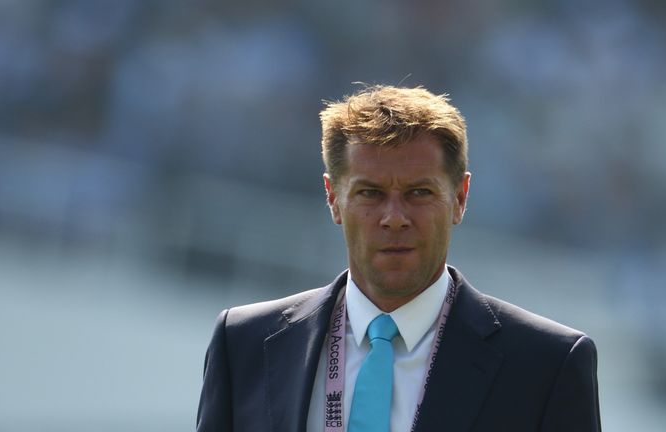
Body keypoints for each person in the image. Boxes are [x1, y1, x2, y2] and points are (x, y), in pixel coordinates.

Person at [196, 85, 601, 432]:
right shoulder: (244, 343)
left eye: (419, 193)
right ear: (333, 198)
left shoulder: (546, 364)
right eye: (370, 193)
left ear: (459, 198)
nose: (394, 218)